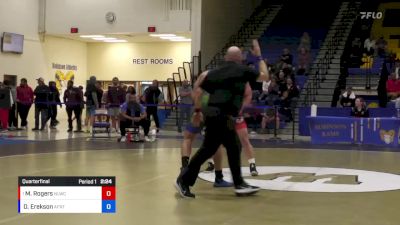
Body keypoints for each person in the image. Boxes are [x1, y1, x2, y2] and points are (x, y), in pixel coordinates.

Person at [175, 39, 269, 198]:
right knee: (213, 149)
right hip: (223, 116)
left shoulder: (214, 73)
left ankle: (239, 183)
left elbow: (198, 93)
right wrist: (259, 57)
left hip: (213, 115)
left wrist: (197, 111)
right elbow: (265, 76)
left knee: (229, 146)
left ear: (226, 57)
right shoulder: (242, 70)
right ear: (239, 58)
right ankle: (183, 180)